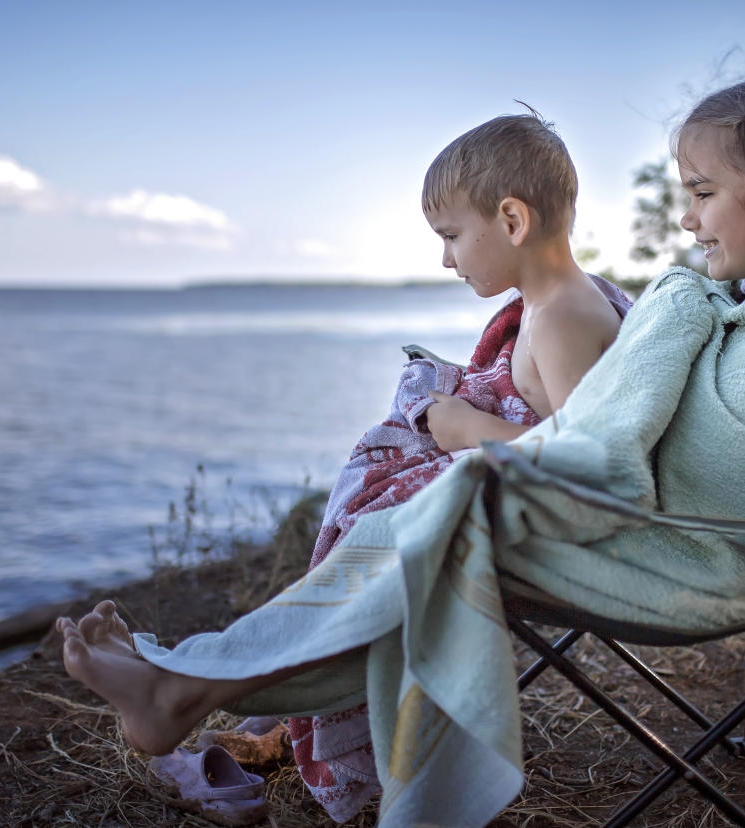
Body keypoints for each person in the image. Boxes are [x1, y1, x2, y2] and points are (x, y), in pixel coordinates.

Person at [59, 72, 745, 828]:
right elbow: (695, 423)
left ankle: (189, 686)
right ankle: (188, 684)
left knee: (430, 532)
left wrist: (676, 308)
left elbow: (710, 466)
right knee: (421, 531)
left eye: (703, 192)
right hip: (683, 532)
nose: (683, 217)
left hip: (710, 556)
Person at [286, 113, 628, 820]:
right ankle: (292, 684)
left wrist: (462, 425)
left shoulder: (563, 314)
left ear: (510, 219)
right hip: (517, 505)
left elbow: (578, 461)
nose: (446, 260)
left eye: (450, 237)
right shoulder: (552, 302)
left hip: (553, 534)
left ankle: (290, 681)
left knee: (380, 527)